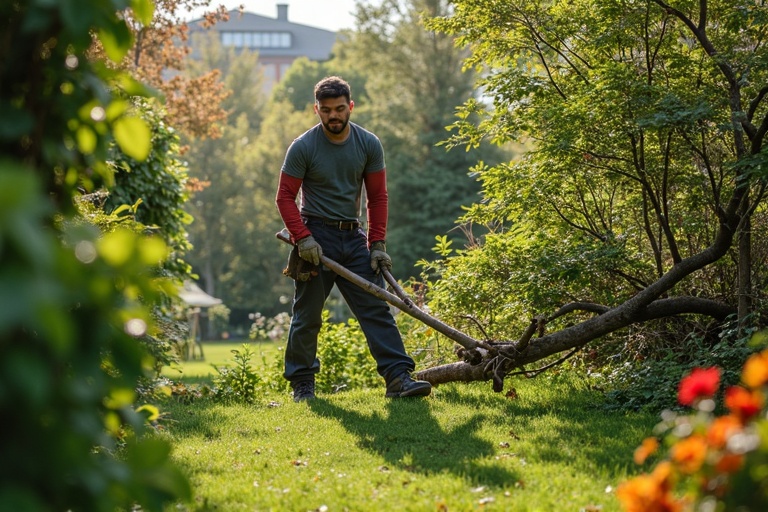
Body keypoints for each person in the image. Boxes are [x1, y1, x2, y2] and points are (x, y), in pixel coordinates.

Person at [275, 75, 432, 402]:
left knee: (376, 308)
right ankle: (302, 384)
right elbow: (285, 197)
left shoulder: (368, 144)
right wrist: (303, 238)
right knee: (307, 316)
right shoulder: (303, 147)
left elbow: (378, 197)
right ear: (316, 109)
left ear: (351, 106)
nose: (333, 115)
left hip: (353, 237)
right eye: (326, 110)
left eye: (339, 109)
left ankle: (398, 379)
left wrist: (377, 244)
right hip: (315, 239)